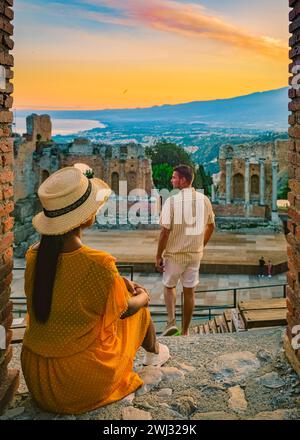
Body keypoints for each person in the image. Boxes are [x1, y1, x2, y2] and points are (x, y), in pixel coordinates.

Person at [21, 167, 170, 415]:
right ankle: (155, 353)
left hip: (38, 377)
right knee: (139, 310)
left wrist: (115, 282)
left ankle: (154, 351)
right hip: (77, 381)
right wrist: (144, 297)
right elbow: (125, 309)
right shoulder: (98, 263)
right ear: (84, 216)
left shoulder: (34, 256)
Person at [155, 165, 215, 336]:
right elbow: (211, 226)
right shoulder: (204, 199)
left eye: (174, 177)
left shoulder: (172, 201)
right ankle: (186, 331)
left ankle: (171, 322)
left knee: (169, 286)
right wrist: (201, 245)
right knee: (189, 291)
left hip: (174, 253)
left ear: (183, 180)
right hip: (194, 254)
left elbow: (164, 231)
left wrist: (158, 255)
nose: (171, 180)